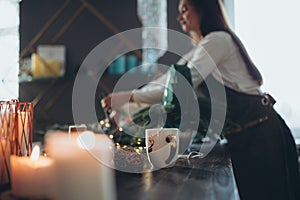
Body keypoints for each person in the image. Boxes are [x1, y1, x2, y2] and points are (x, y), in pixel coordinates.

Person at [102, 0, 300, 199]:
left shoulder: (218, 40)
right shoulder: (203, 47)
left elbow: (179, 85)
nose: (180, 17)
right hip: (245, 136)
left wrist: (129, 97)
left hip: (262, 134)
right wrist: (128, 104)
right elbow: (167, 81)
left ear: (204, 9)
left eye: (185, 10)